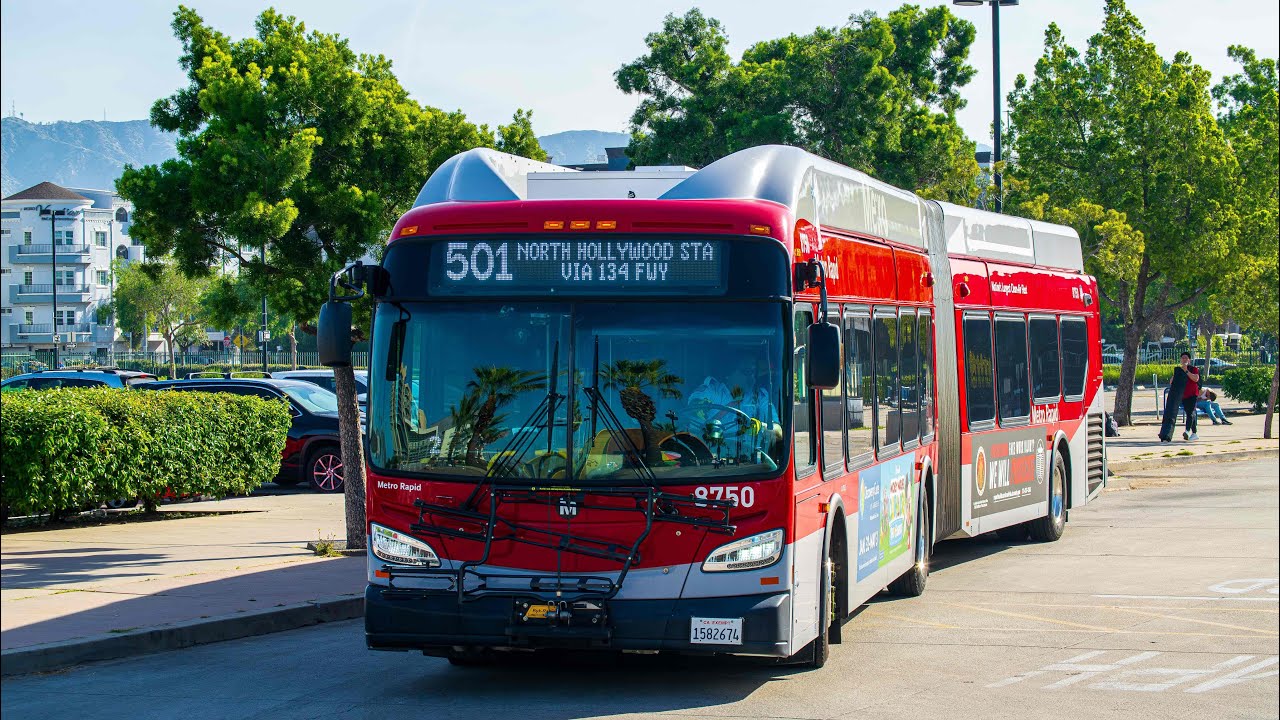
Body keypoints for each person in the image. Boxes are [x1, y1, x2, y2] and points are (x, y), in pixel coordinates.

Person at [1159, 352, 1199, 442]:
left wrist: (1186, 371)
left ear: (1189, 360)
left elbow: (1195, 379)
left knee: (1190, 412)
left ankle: (1187, 431)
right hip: (1183, 395)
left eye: (1186, 358)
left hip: (1193, 394)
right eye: (1182, 358)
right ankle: (1194, 433)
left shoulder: (1193, 369)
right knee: (1189, 412)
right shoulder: (1179, 370)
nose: (1184, 360)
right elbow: (1171, 382)